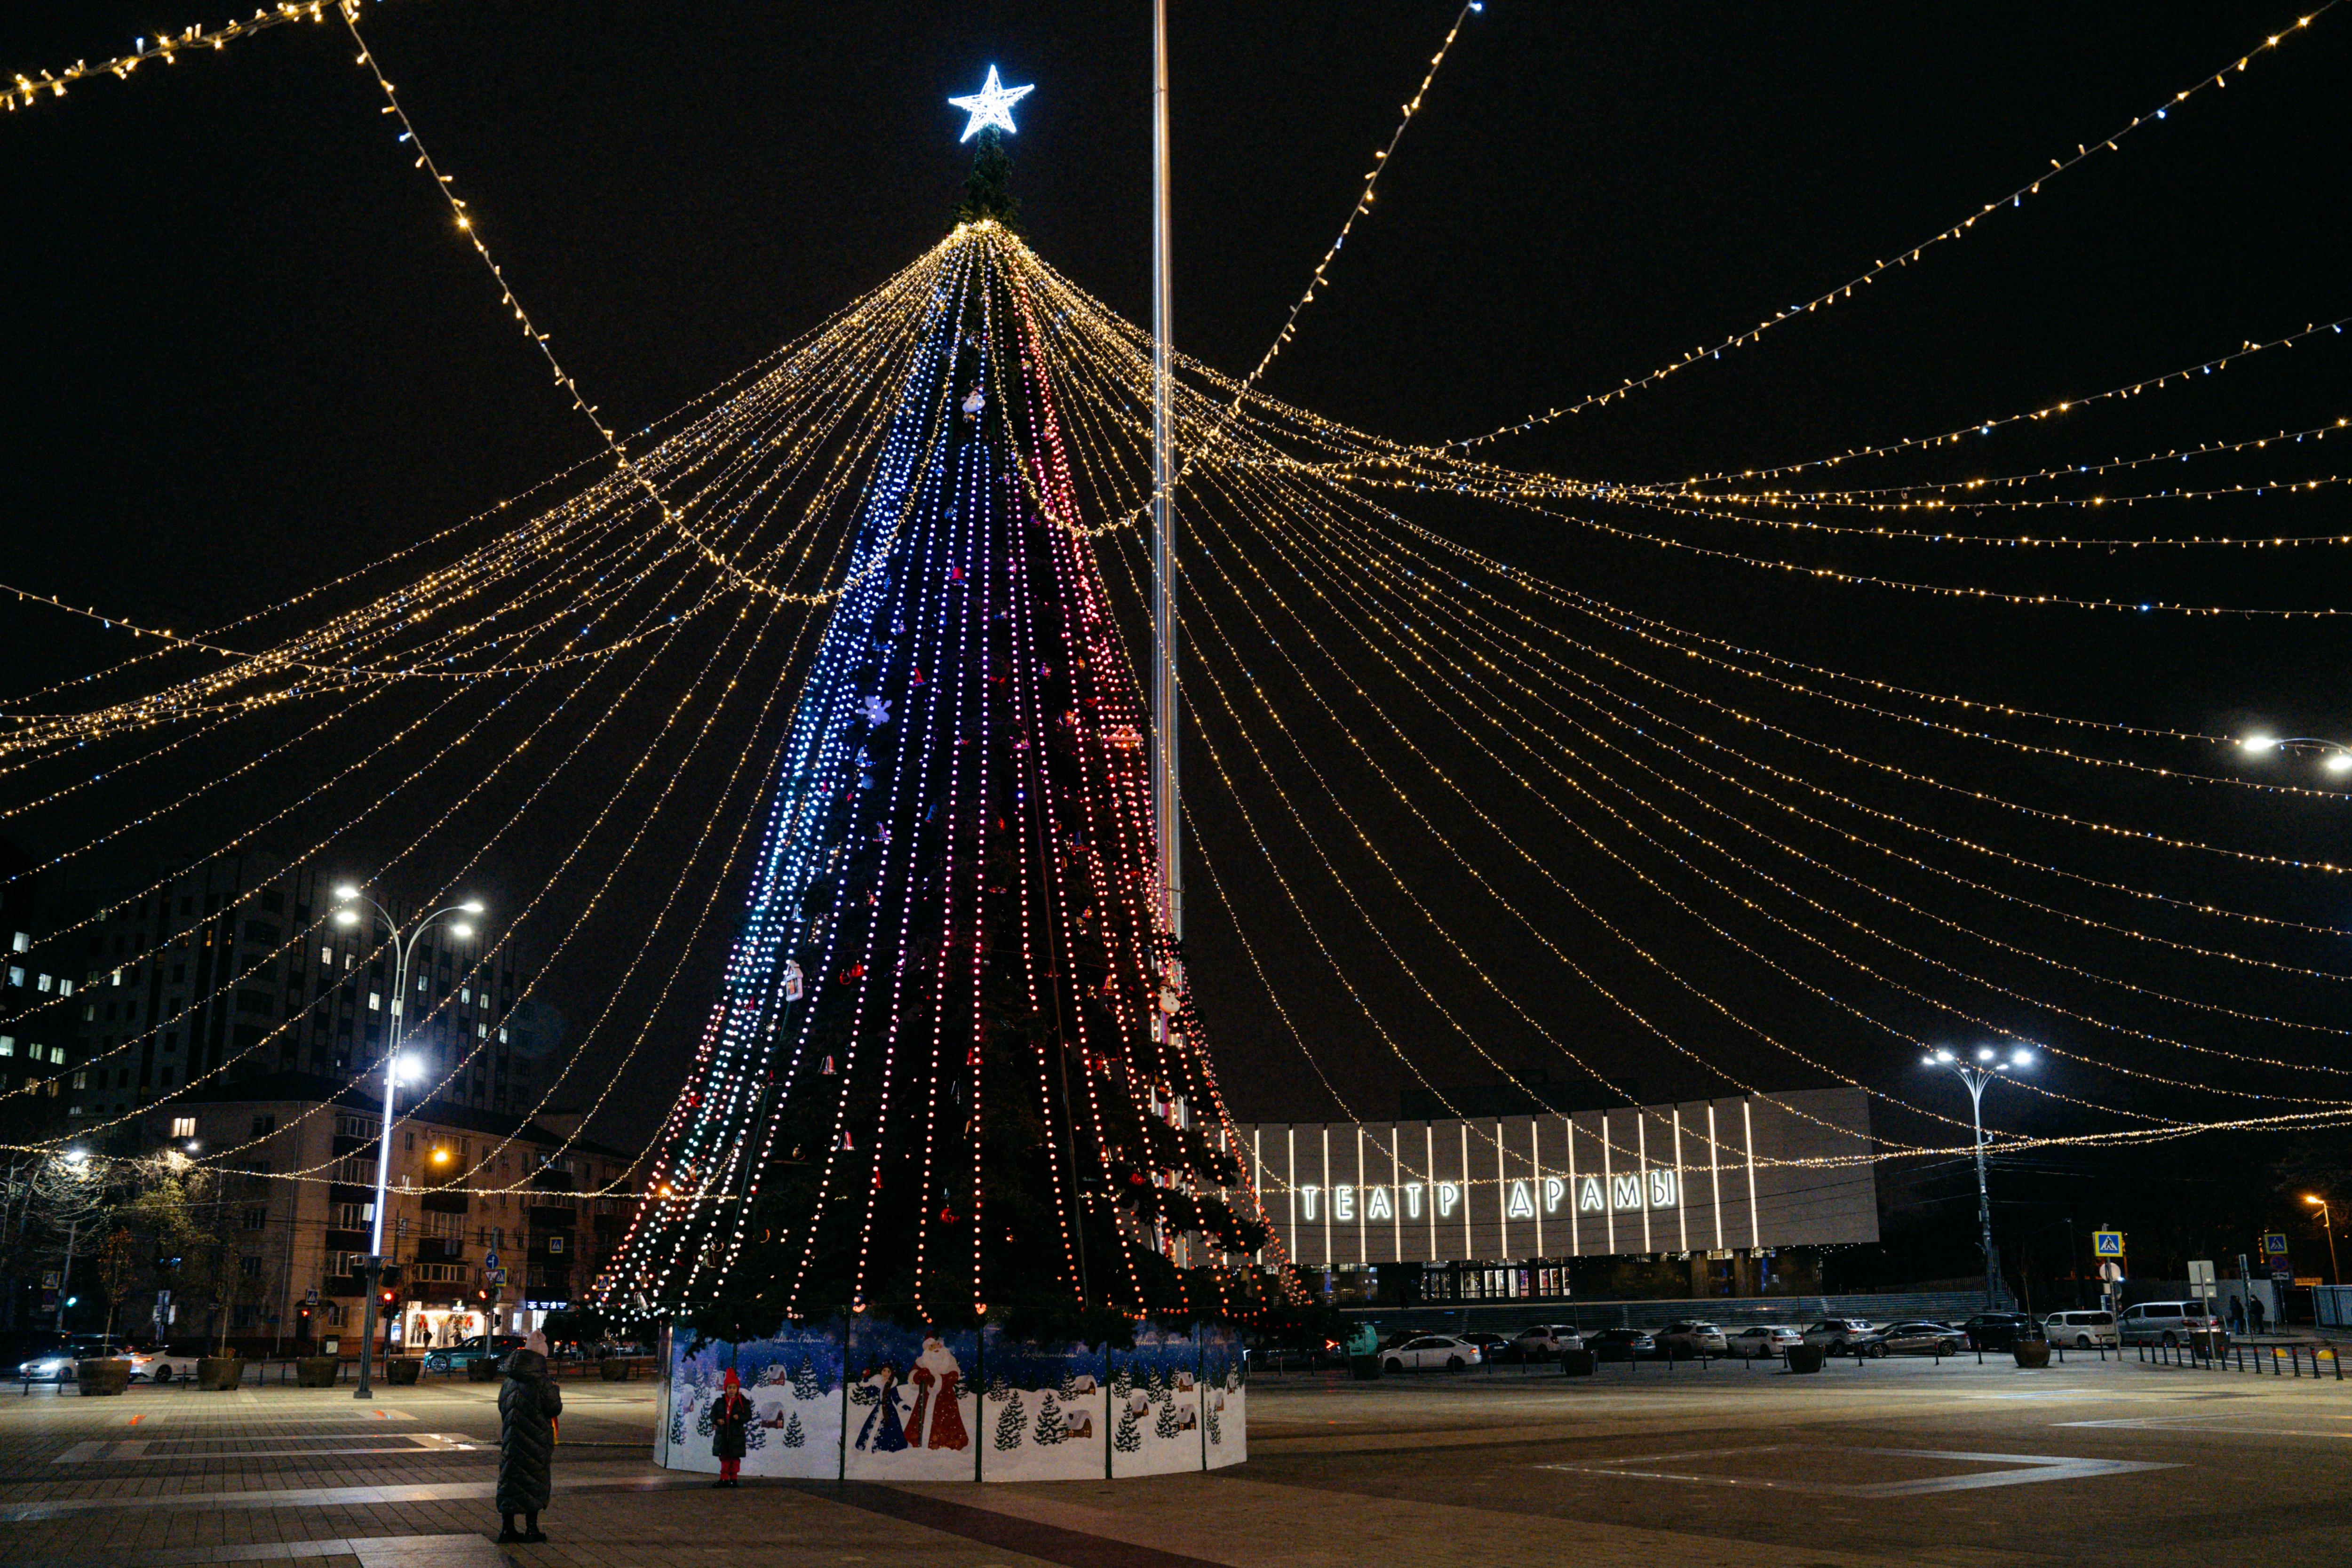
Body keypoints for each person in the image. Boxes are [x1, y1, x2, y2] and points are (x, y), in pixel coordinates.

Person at [496, 1334, 562, 1544]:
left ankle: (507, 1529)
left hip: (512, 1437)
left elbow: (502, 1405)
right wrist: (555, 1389)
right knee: (533, 1481)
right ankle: (531, 1529)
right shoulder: (541, 1380)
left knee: (510, 1480)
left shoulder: (510, 1378)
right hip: (536, 1440)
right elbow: (554, 1408)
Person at [710, 1368, 754, 1487]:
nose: (732, 1390)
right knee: (724, 1458)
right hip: (723, 1436)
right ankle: (724, 1479)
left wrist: (739, 1418)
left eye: (734, 1388)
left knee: (735, 1459)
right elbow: (712, 1415)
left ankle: (734, 1480)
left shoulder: (743, 1402)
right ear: (726, 1389)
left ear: (737, 1389)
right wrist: (717, 1421)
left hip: (737, 1437)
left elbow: (748, 1416)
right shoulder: (719, 1402)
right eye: (730, 1388)